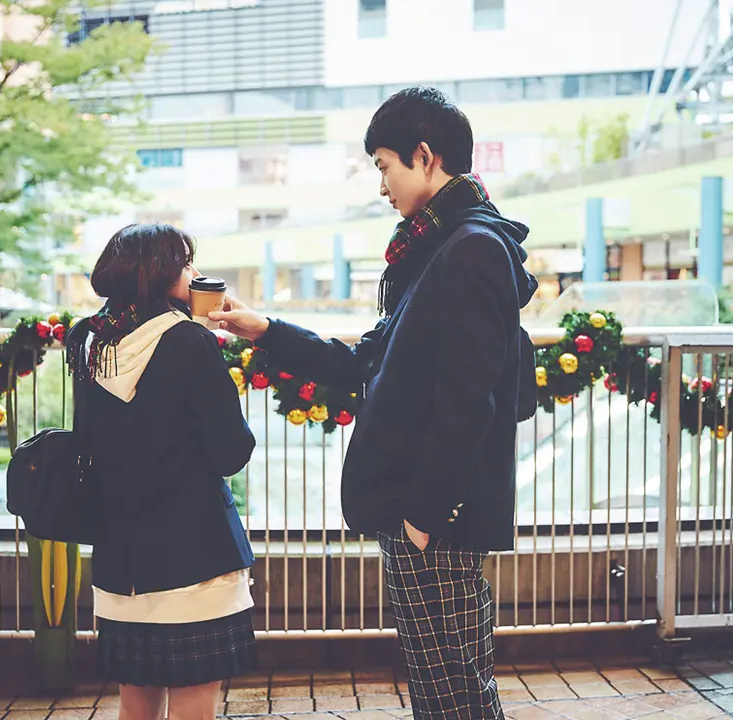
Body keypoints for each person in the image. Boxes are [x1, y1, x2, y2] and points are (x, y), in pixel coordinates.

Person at [211, 87, 538, 720]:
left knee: (452, 691)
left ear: (424, 155)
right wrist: (267, 331)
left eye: (385, 164)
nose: (382, 184)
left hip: (434, 515)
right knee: (448, 683)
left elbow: (469, 402)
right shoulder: (437, 247)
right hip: (427, 510)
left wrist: (423, 515)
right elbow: (370, 361)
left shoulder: (466, 250)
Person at [66, 223, 257, 720]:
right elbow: (230, 452)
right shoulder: (189, 342)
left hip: (120, 557)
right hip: (193, 557)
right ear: (162, 274)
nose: (194, 273)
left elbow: (88, 437)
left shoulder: (88, 340)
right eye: (186, 263)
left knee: (137, 702)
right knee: (194, 703)